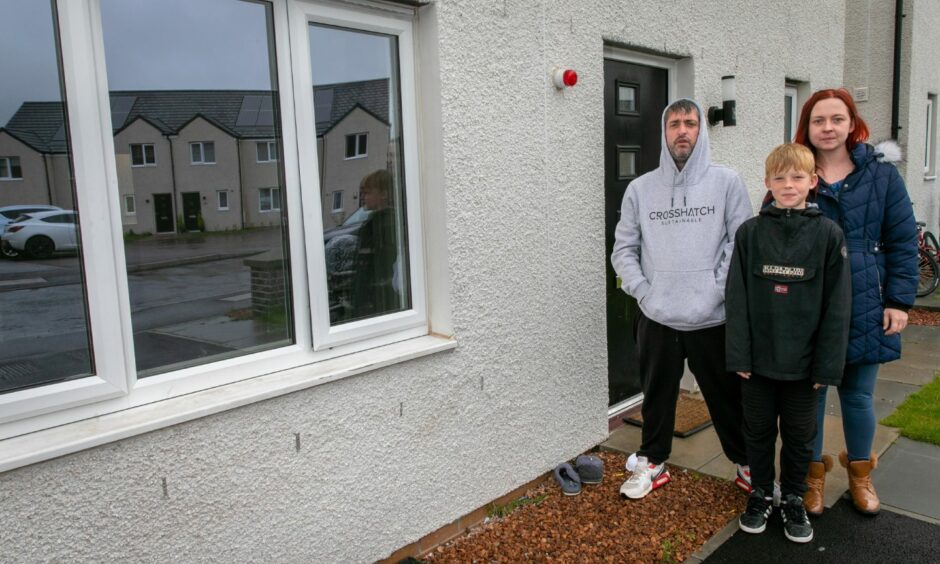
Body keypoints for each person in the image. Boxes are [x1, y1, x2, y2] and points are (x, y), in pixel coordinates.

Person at [611, 98, 753, 499]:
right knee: (656, 396)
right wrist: (644, 291)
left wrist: (716, 291)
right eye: (674, 124)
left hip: (713, 318)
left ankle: (746, 467)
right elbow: (623, 249)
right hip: (658, 317)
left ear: (701, 130)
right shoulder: (641, 189)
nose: (682, 130)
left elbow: (738, 244)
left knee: (726, 399)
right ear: (664, 132)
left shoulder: (726, 182)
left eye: (690, 123)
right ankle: (653, 463)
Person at [788, 88, 918, 516]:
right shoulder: (796, 173)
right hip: (812, 301)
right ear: (806, 127)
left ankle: (861, 478)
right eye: (818, 120)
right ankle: (812, 479)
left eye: (836, 119)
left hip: (866, 294)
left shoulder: (880, 176)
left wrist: (899, 300)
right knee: (812, 396)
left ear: (851, 124)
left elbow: (902, 241)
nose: (827, 128)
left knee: (858, 396)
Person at [727, 143, 851, 543]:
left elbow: (837, 307)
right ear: (767, 182)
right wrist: (739, 354)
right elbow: (737, 297)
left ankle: (794, 497)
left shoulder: (829, 235)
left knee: (799, 436)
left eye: (797, 177)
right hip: (758, 363)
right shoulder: (750, 233)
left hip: (805, 366)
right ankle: (762, 492)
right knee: (758, 432)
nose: (788, 185)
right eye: (779, 178)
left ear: (813, 181)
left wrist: (826, 367)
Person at [352, 169, 403, 319]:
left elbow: (377, 266)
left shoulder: (381, 225)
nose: (363, 197)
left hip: (377, 298)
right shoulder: (378, 222)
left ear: (383, 194)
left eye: (367, 193)